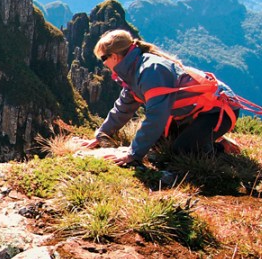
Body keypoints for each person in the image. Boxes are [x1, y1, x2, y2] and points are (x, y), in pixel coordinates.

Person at [77, 29, 240, 166]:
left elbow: (156, 117)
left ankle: (220, 148)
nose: (103, 63)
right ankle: (204, 136)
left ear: (115, 56)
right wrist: (101, 135)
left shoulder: (151, 71)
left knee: (182, 151)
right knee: (160, 145)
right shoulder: (132, 72)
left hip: (218, 110)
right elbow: (123, 108)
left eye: (103, 58)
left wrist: (133, 154)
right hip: (192, 112)